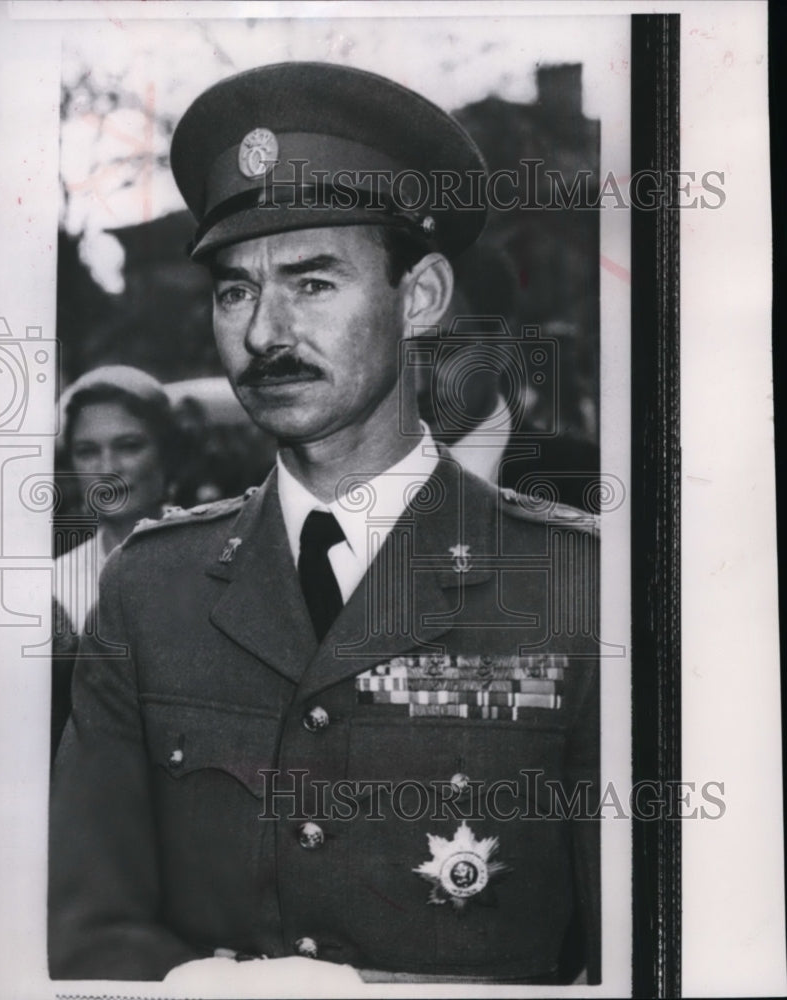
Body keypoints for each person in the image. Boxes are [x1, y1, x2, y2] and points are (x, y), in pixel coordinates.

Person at [49, 62, 600, 985]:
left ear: (418, 299)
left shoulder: (577, 592)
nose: (264, 331)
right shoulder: (149, 593)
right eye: (234, 291)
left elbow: (636, 957)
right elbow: (84, 930)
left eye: (311, 283)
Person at [51, 366, 178, 760]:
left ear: (166, 454)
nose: (108, 467)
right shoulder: (53, 586)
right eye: (87, 451)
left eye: (128, 445)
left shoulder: (224, 555)